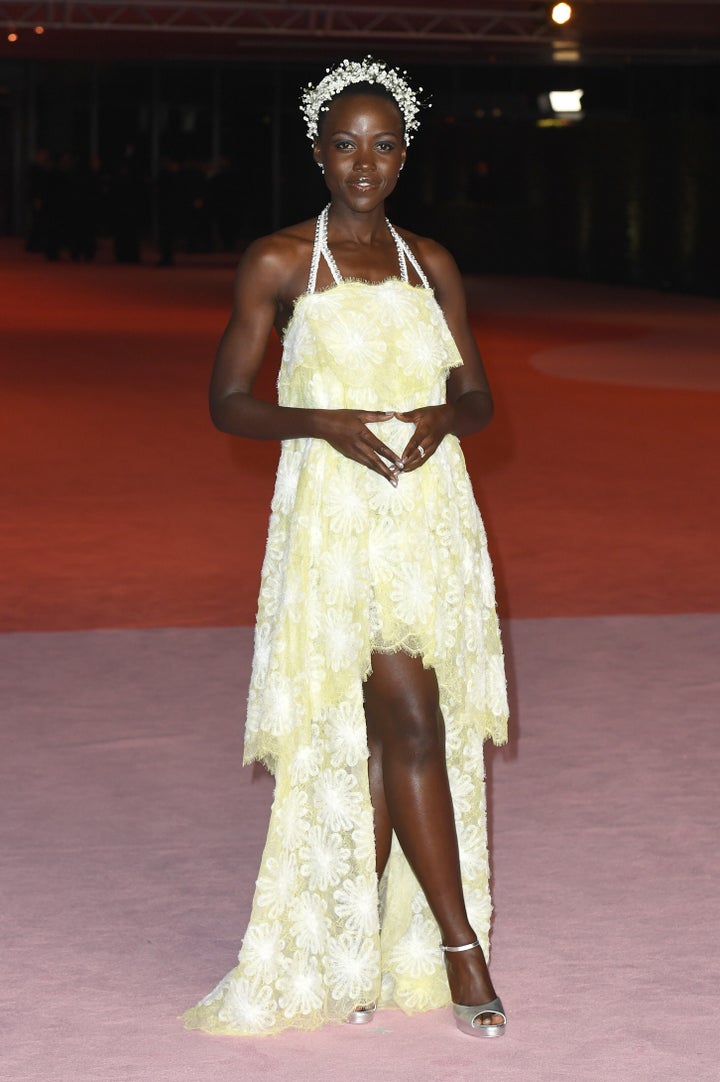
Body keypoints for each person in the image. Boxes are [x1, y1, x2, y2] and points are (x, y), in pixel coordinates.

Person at [182, 57, 509, 1040]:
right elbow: (227, 402)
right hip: (333, 516)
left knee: (393, 731)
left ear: (404, 155)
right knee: (404, 719)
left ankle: (357, 944)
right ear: (318, 151)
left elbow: (480, 396)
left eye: (383, 146)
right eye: (345, 144)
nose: (363, 163)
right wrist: (322, 423)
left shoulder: (430, 263)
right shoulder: (280, 260)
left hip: (426, 516)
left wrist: (439, 416)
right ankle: (461, 949)